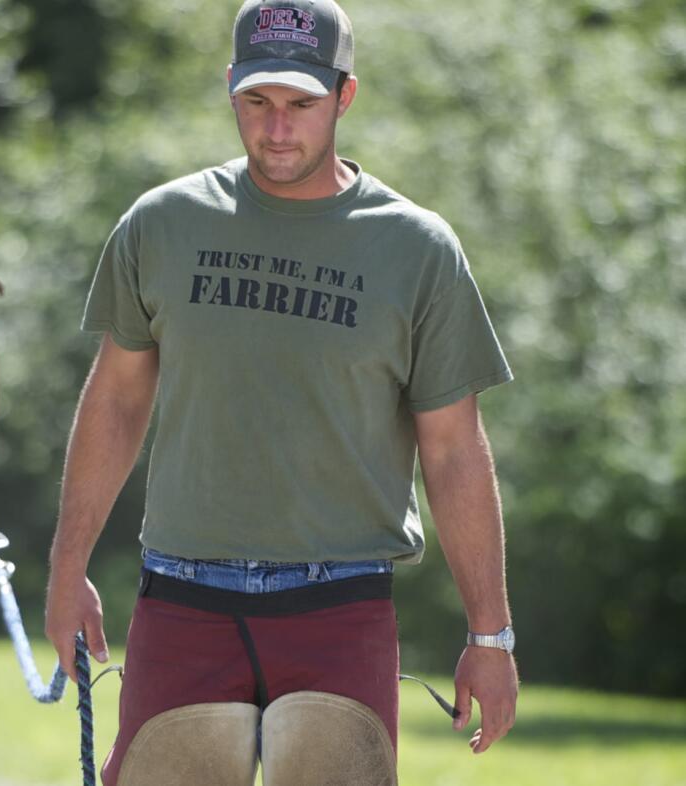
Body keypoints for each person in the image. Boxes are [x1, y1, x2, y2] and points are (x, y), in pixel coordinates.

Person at [43, 0, 519, 783]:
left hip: (340, 608)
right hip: (182, 599)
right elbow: (117, 402)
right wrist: (66, 575)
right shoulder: (161, 224)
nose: (276, 128)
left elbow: (455, 449)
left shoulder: (417, 248)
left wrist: (490, 637)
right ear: (230, 87)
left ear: (345, 96)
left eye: (301, 104)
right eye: (256, 102)